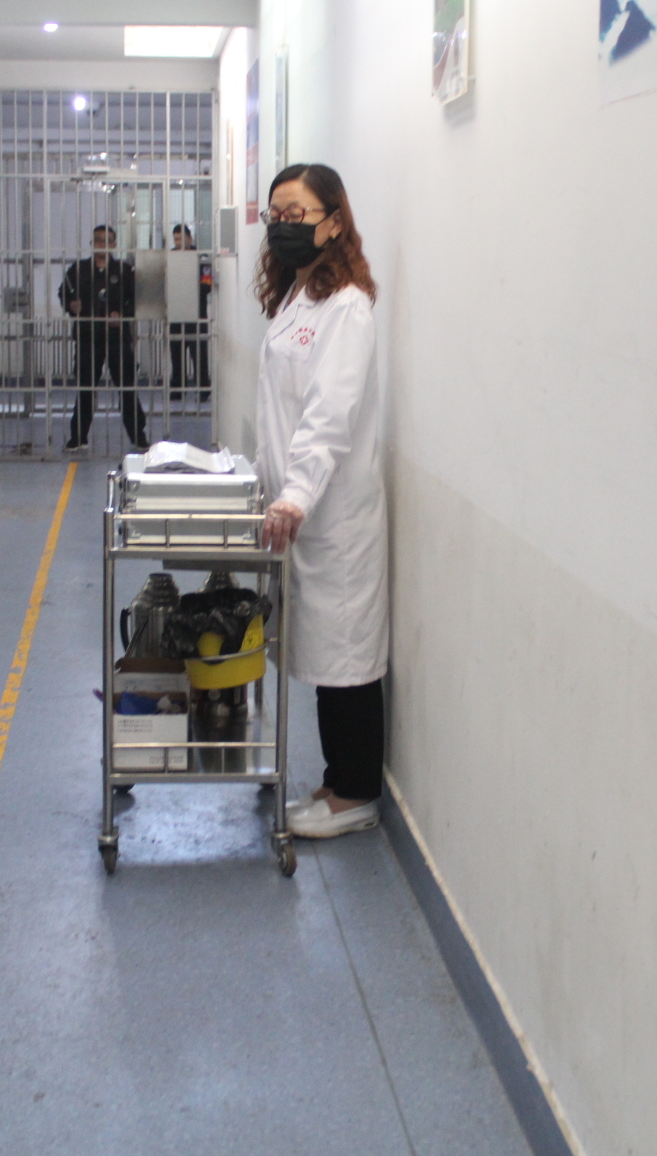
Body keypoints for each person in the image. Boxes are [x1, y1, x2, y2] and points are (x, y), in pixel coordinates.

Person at [253, 164, 390, 840]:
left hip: (332, 512)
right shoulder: (298, 297)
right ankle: (337, 781)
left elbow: (329, 415)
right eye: (275, 214)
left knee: (347, 655)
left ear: (334, 222)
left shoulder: (348, 309)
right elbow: (279, 411)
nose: (283, 225)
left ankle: (357, 793)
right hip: (297, 507)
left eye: (298, 213)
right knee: (324, 651)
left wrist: (298, 493)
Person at [60, 224, 149, 451]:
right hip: (88, 337)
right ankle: (78, 437)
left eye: (107, 240)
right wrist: (71, 305)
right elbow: (64, 293)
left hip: (117, 337)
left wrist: (122, 316)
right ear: (92, 243)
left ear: (114, 244)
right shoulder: (79, 270)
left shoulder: (124, 270)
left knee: (127, 387)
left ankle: (138, 435)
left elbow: (135, 300)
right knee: (86, 388)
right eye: (98, 240)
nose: (102, 244)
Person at [167, 223, 211, 398]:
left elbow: (206, 285)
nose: (178, 242)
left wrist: (187, 286)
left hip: (197, 313)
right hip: (176, 313)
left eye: (180, 239)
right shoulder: (171, 257)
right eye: (175, 239)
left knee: (199, 354)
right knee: (176, 354)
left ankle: (203, 389)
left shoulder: (201, 258)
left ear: (190, 238)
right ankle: (178, 389)